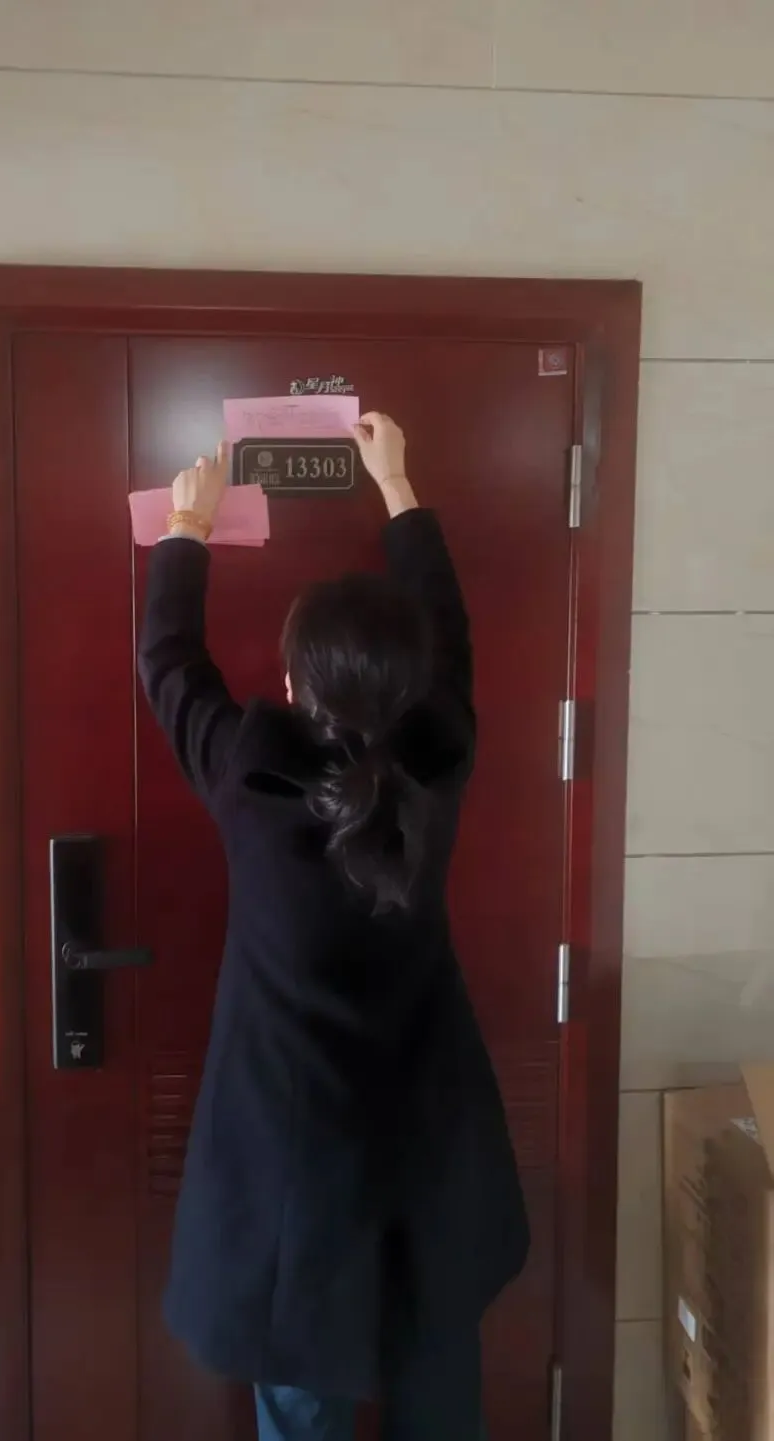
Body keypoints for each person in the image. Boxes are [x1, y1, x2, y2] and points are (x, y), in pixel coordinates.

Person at [137, 413, 529, 1441]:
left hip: (294, 1182)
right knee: (439, 1389)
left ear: (291, 684)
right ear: (413, 684)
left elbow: (168, 662)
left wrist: (186, 527)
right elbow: (452, 633)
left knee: (302, 1404)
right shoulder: (441, 758)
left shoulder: (249, 778)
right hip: (433, 1158)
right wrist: (397, 483)